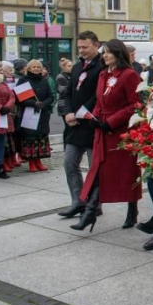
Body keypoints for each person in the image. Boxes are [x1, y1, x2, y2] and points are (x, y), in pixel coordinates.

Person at [73, 40, 142, 232]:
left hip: (120, 132)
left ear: (119, 54)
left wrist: (111, 121)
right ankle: (90, 212)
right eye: (104, 52)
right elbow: (99, 100)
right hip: (101, 130)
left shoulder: (129, 75)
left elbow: (135, 104)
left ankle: (132, 210)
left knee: (127, 173)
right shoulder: (103, 74)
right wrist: (94, 116)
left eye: (109, 52)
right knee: (98, 171)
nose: (105, 56)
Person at [58, 31, 104, 218]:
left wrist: (80, 113)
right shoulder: (77, 67)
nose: (82, 50)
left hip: (92, 125)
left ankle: (94, 204)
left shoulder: (102, 66)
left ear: (96, 45)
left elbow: (98, 96)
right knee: (70, 163)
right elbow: (68, 92)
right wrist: (68, 112)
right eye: (79, 47)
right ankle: (78, 201)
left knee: (95, 168)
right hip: (74, 126)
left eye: (85, 47)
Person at [16, 60, 54, 172]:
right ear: (28, 68)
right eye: (33, 67)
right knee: (30, 139)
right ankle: (32, 163)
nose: (36, 69)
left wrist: (43, 103)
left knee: (40, 138)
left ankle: (39, 162)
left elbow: (50, 96)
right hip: (29, 114)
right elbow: (19, 98)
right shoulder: (23, 81)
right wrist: (33, 103)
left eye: (38, 67)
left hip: (42, 113)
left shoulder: (44, 80)